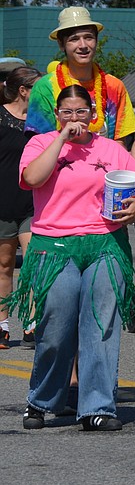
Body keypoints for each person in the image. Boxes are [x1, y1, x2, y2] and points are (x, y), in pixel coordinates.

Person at [10, 85, 135, 431]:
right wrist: (60, 139)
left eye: (82, 112)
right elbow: (31, 178)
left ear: (94, 114)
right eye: (68, 113)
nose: (76, 119)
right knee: (56, 328)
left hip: (104, 243)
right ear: (58, 115)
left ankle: (98, 406)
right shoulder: (41, 143)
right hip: (55, 244)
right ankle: (41, 400)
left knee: (101, 326)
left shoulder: (108, 149)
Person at [25, 7, 135, 161]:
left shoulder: (114, 86)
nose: (83, 45)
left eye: (88, 37)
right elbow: (40, 143)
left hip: (104, 170)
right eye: (74, 39)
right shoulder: (45, 87)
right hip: (60, 171)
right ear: (61, 45)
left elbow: (120, 141)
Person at [0, 66, 40, 349]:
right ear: (24, 90)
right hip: (2, 201)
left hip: (32, 203)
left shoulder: (40, 120)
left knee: (33, 265)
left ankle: (31, 323)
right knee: (3, 267)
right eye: (38, 86)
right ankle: (1, 324)